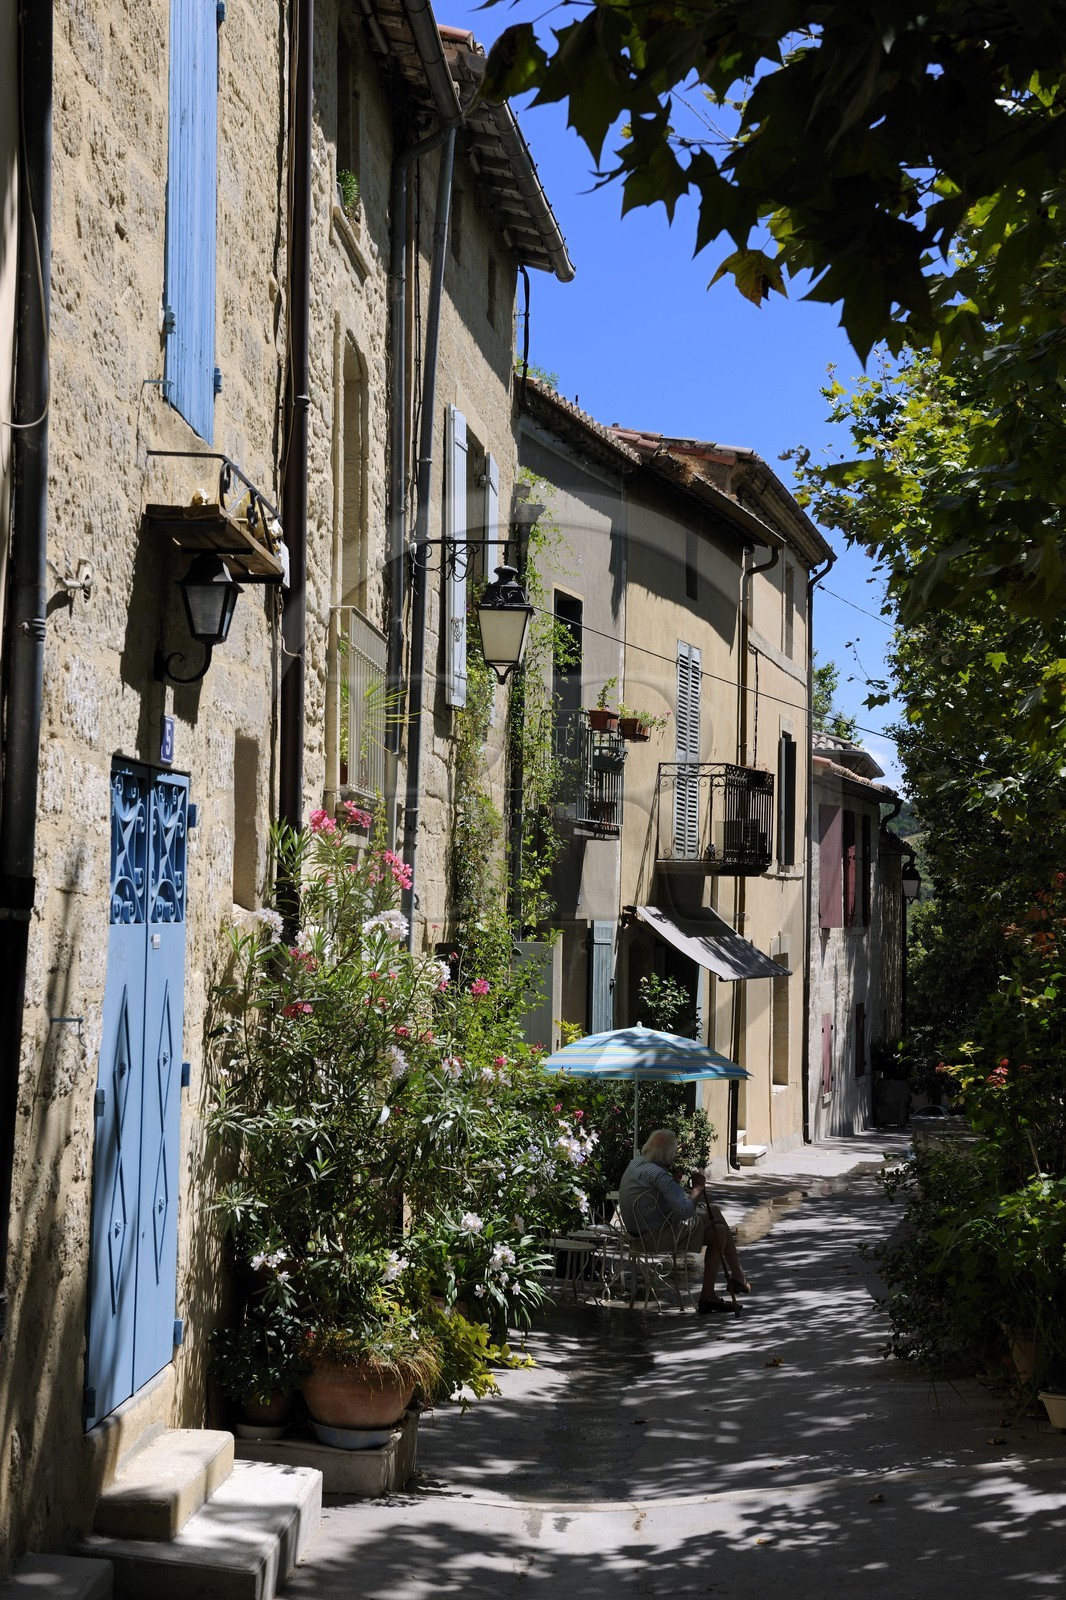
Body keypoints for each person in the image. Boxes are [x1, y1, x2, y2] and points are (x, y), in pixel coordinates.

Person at [617, 1128, 751, 1314]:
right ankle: (728, 1283)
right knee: (718, 1227)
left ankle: (727, 1283)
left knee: (717, 1222)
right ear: (667, 1154)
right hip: (655, 1237)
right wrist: (698, 1188)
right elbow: (686, 1212)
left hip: (636, 1234)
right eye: (673, 1152)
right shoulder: (658, 1175)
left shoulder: (636, 1163)